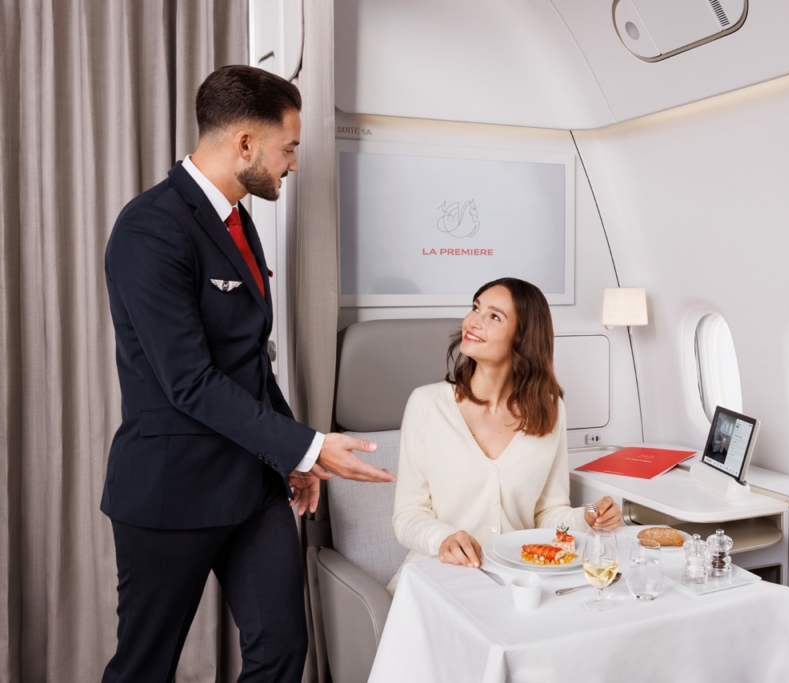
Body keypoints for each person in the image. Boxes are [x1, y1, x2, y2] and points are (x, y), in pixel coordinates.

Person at [101, 65, 395, 683]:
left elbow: (248, 363)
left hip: (253, 485)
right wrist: (312, 445)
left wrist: (292, 455)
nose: (292, 164)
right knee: (144, 667)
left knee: (283, 652)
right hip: (171, 489)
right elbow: (189, 381)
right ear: (244, 143)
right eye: (288, 148)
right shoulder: (151, 227)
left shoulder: (238, 221)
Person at [389, 277, 622, 591]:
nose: (473, 321)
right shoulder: (427, 404)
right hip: (438, 579)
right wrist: (443, 537)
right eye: (475, 308)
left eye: (493, 316)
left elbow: (549, 513)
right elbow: (407, 516)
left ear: (522, 337)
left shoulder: (550, 410)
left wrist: (590, 516)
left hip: (520, 582)